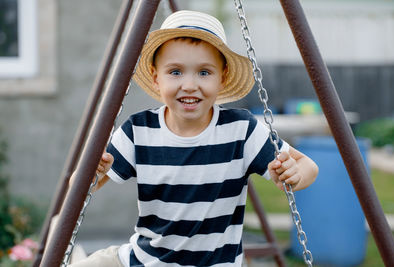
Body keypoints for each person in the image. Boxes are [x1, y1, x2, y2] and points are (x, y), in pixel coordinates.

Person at [69, 10, 318, 267]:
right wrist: (92, 172)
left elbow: (308, 166)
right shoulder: (139, 130)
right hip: (143, 260)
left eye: (204, 72)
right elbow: (78, 189)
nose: (189, 85)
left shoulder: (241, 130)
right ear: (156, 78)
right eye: (175, 72)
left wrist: (293, 174)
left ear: (222, 78)